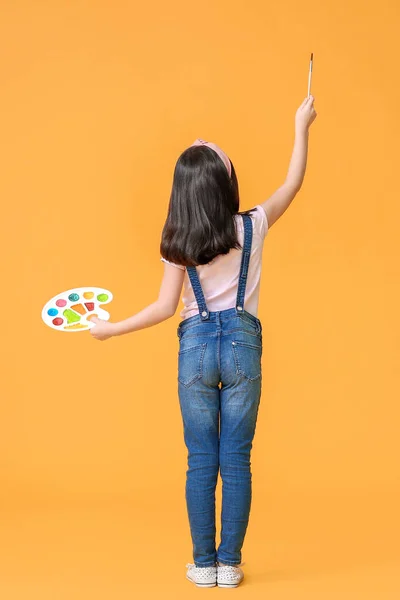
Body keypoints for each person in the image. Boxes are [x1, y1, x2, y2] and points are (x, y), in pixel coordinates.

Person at [90, 95, 317, 588]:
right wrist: (301, 125)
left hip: (194, 351)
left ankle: (203, 564)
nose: (202, 141)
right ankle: (230, 564)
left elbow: (163, 309)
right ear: (223, 182)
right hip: (242, 348)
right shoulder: (251, 226)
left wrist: (111, 328)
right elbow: (292, 183)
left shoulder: (178, 241)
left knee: (201, 459)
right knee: (236, 457)